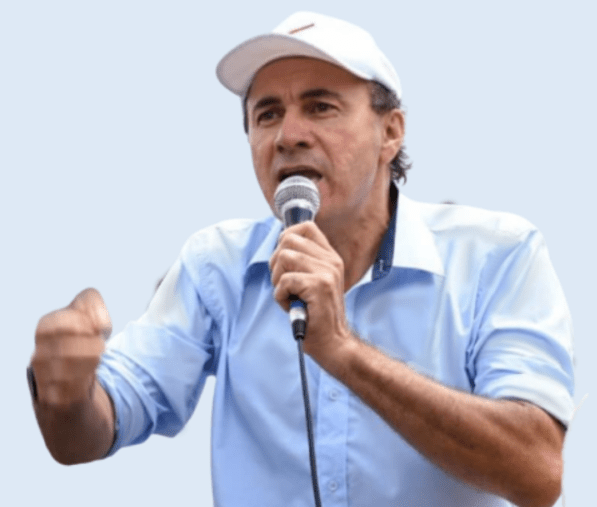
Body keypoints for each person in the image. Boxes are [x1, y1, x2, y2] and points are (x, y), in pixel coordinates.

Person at [28, 12, 574, 507]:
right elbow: (90, 433)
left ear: (390, 132)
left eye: (320, 107)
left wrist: (343, 352)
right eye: (267, 115)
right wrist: (67, 393)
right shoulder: (216, 265)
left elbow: (537, 473)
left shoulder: (498, 256)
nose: (288, 136)